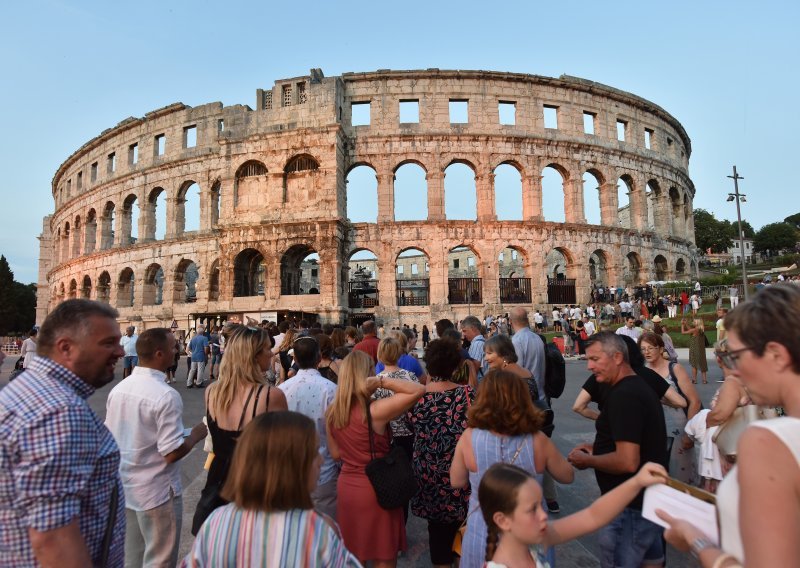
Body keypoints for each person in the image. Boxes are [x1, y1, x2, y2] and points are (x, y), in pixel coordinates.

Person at [659, 285, 800, 567]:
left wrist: (697, 541)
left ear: (776, 355)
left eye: (735, 357)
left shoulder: (768, 441)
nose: (733, 371)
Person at [0, 299, 126, 566]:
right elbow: (53, 539)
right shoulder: (60, 411)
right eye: (108, 343)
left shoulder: (30, 390)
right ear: (66, 348)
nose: (120, 352)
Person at [183, 411, 361, 567]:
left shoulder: (216, 523)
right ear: (291, 465)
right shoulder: (317, 531)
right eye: (314, 453)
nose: (321, 461)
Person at [450, 369, 574, 568]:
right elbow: (567, 476)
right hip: (530, 533)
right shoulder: (537, 440)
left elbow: (456, 481)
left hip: (482, 530)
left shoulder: (469, 437)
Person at [105, 328, 208, 567]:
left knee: (132, 556)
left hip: (127, 486)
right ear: (160, 354)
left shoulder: (119, 389)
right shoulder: (165, 395)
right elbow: (171, 452)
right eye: (173, 347)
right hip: (157, 491)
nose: (178, 350)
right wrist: (195, 435)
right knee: (160, 558)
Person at [567, 331, 668, 568]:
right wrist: (596, 448)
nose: (589, 367)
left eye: (595, 359)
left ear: (618, 357)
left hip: (627, 509)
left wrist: (587, 460)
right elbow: (635, 442)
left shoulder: (625, 395)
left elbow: (627, 461)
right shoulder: (634, 387)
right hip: (644, 504)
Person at [326, 351, 425, 568]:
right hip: (378, 487)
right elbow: (419, 389)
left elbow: (335, 454)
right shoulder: (375, 411)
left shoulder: (333, 412)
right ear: (367, 375)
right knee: (383, 554)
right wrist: (381, 380)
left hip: (348, 487)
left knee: (353, 553)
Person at [478, 461, 668, 567]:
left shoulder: (535, 542)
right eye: (532, 510)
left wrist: (636, 482)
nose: (543, 515)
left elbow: (593, 516)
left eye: (540, 505)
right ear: (503, 521)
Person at [192, 325, 288, 534]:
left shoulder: (212, 392)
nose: (271, 352)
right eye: (266, 348)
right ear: (252, 356)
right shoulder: (270, 396)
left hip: (217, 488)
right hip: (255, 488)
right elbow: (283, 453)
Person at [406, 338, 474, 568]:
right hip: (461, 469)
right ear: (455, 366)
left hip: (428, 470)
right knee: (464, 525)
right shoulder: (467, 394)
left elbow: (409, 426)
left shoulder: (416, 396)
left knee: (437, 530)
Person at [278, 336, 339, 519]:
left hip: (291, 470)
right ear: (319, 358)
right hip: (324, 470)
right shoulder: (330, 389)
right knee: (325, 529)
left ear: (294, 359)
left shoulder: (282, 389)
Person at [639, 331, 701, 485]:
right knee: (657, 478)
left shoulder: (674, 368)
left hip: (678, 430)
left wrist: (689, 433)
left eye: (651, 348)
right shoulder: (642, 371)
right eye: (642, 349)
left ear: (661, 349)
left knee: (681, 477)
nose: (646, 352)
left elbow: (694, 401)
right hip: (653, 432)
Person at [682, 317, 709, 384]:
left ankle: (694, 379)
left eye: (694, 322)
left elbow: (683, 332)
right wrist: (686, 324)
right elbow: (690, 330)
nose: (693, 323)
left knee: (694, 364)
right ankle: (704, 380)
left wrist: (682, 325)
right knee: (703, 363)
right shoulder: (701, 329)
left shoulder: (694, 330)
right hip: (701, 349)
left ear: (697, 323)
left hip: (694, 349)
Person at [462, 315, 488, 381]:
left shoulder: (476, 344)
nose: (463, 334)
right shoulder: (483, 342)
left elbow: (473, 370)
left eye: (465, 331)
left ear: (473, 329)